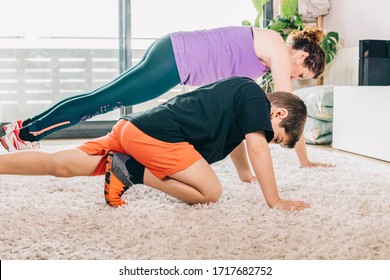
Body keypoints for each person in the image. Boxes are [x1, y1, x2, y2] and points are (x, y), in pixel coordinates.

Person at [0, 25, 329, 168]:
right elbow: (289, 109)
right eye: (303, 76)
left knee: (100, 97)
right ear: (302, 58)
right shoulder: (281, 52)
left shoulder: (268, 50)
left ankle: (18, 130)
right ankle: (24, 135)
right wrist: (305, 159)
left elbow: (242, 113)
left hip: (173, 52)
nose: (295, 78)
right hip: (176, 58)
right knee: (100, 101)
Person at [0, 77, 309, 211]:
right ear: (277, 112)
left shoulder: (243, 102)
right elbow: (255, 145)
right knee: (210, 192)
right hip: (157, 137)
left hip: (133, 129)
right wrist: (276, 201)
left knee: (61, 165)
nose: (266, 142)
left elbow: (242, 144)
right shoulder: (254, 95)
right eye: (274, 136)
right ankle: (131, 171)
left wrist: (244, 175)